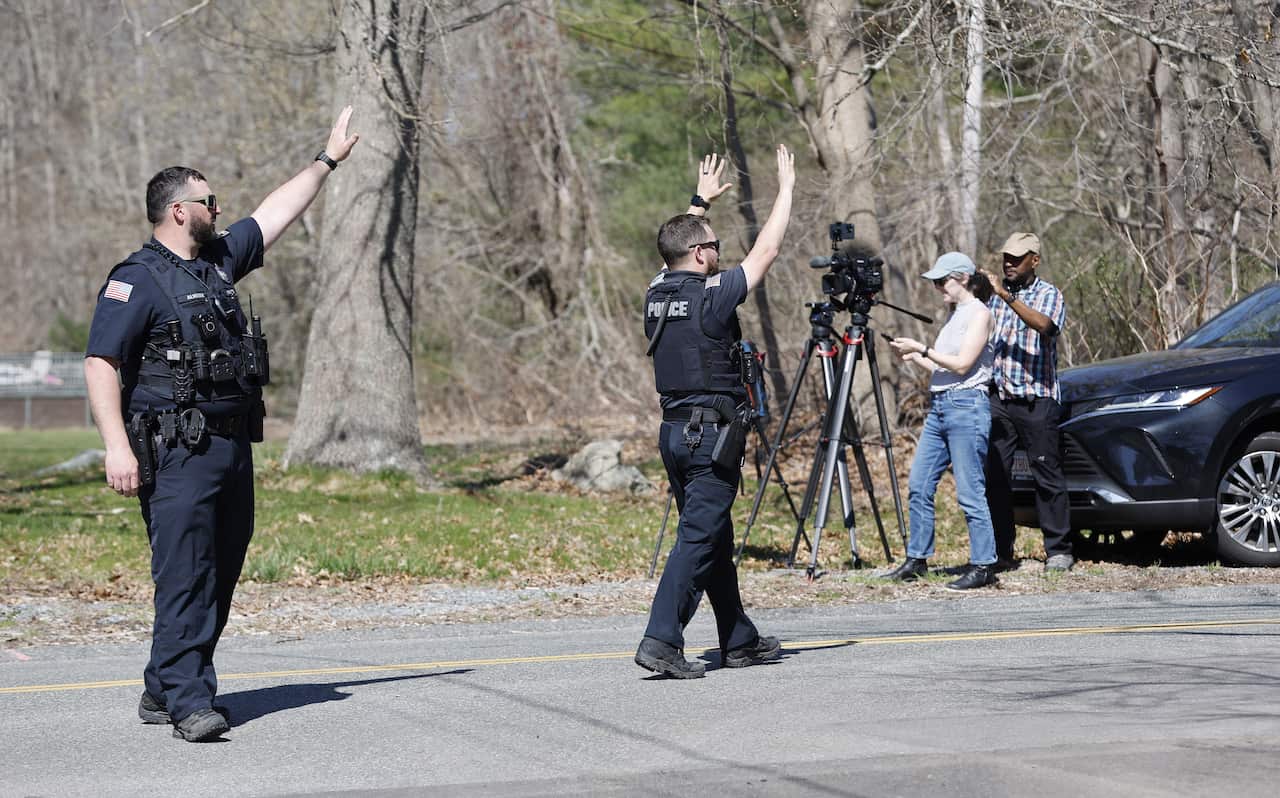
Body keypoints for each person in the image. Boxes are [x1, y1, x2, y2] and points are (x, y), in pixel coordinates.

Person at [84, 107, 360, 741]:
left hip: (231, 445)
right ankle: (188, 701)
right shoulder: (138, 279)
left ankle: (163, 686)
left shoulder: (215, 265)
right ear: (180, 210)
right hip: (175, 450)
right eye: (210, 200)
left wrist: (327, 160)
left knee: (222, 568)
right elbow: (101, 362)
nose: (219, 208)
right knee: (185, 571)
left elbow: (275, 212)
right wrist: (114, 448)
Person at [635, 147, 794, 678]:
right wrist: (786, 190)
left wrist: (699, 201)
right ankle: (661, 639)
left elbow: (673, 247)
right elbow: (767, 251)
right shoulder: (712, 296)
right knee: (698, 541)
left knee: (713, 538)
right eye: (715, 246)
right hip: (710, 439)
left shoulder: (659, 292)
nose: (721, 253)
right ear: (701, 254)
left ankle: (739, 640)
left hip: (675, 437)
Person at [885, 253, 998, 590]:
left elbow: (962, 365)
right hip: (941, 408)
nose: (937, 288)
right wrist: (913, 356)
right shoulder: (955, 316)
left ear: (962, 277)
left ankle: (983, 565)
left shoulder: (980, 314)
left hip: (967, 408)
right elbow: (942, 368)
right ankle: (917, 559)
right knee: (919, 484)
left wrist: (923, 347)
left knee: (969, 491)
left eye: (941, 281)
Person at [981, 232, 1074, 572]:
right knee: (995, 477)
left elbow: (1046, 327)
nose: (1008, 263)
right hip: (1000, 398)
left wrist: (1005, 297)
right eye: (1006, 257)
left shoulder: (1049, 294)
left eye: (1016, 258)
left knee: (1046, 475)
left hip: (1038, 399)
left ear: (1034, 260)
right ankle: (1000, 552)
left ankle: (1059, 550)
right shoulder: (992, 298)